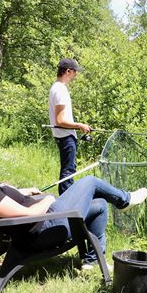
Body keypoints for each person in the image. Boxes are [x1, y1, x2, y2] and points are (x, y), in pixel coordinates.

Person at [0, 140, 147, 269]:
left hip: (40, 226)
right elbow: (25, 214)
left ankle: (92, 260)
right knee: (90, 182)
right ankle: (124, 200)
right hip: (45, 230)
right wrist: (48, 200)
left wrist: (20, 191)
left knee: (100, 205)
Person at [49, 58, 92, 194]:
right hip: (66, 137)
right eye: (75, 72)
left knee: (67, 171)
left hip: (63, 136)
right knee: (68, 173)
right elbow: (60, 121)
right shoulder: (60, 90)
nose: (76, 75)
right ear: (68, 71)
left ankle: (64, 204)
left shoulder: (55, 87)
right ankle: (66, 206)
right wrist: (80, 125)